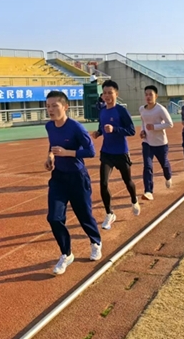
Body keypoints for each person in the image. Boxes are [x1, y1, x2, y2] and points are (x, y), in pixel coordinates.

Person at [44, 91, 102, 276]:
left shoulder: (76, 127)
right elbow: (52, 145)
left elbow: (91, 152)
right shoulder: (49, 126)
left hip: (78, 177)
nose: (50, 110)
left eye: (54, 106)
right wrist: (51, 156)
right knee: (54, 218)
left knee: (84, 215)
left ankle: (96, 242)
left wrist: (67, 153)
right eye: (48, 106)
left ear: (65, 107)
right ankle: (66, 254)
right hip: (59, 177)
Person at [92, 80, 140, 231]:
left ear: (116, 94)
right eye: (104, 93)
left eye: (110, 93)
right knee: (103, 183)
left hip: (121, 152)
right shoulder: (102, 111)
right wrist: (98, 132)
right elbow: (102, 127)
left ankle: (134, 199)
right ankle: (109, 213)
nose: (107, 96)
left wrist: (115, 129)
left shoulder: (121, 111)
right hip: (107, 153)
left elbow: (131, 130)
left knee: (128, 181)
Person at [139, 85, 174, 201]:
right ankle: (148, 191)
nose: (148, 97)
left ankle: (168, 176)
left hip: (160, 143)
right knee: (147, 166)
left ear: (156, 96)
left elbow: (170, 124)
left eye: (151, 94)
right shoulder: (142, 109)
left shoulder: (160, 109)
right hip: (147, 142)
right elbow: (143, 122)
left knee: (164, 164)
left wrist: (154, 127)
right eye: (146, 94)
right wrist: (142, 131)